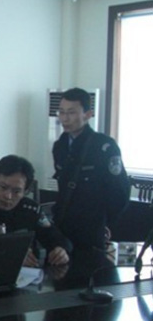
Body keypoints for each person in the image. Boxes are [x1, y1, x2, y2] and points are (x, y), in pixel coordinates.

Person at [52, 87, 130, 251]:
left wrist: (106, 223)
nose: (65, 118)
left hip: (91, 228)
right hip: (63, 224)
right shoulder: (59, 146)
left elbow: (120, 192)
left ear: (87, 115)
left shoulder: (104, 146)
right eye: (61, 112)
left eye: (71, 113)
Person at [0, 155, 72, 267]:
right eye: (3, 187)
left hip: (27, 273)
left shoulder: (31, 209)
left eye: (16, 191)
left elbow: (53, 235)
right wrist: (12, 255)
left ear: (26, 191)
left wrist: (61, 249)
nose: (8, 196)